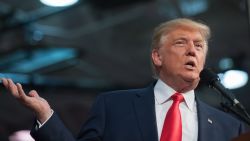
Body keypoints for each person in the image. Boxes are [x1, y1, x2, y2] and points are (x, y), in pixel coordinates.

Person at [2, 18, 248, 141]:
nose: (193, 51)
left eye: (199, 46)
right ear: (157, 56)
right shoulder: (113, 106)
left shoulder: (229, 126)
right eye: (181, 43)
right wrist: (46, 116)